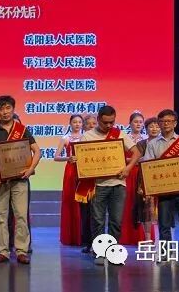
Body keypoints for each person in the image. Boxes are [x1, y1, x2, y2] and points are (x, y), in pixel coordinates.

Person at [78, 105, 141, 266]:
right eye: (105, 122)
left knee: (116, 221)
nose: (108, 125)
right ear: (98, 119)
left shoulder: (119, 134)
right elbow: (82, 159)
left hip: (118, 184)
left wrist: (128, 168)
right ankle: (99, 251)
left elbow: (137, 152)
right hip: (98, 185)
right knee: (98, 221)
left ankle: (113, 251)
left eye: (111, 122)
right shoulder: (87, 136)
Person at [0, 96, 40, 265]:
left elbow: (37, 151)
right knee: (1, 216)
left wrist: (30, 169)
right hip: (2, 180)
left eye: (8, 108)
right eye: (1, 109)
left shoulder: (22, 129)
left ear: (13, 109)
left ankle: (22, 251)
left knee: (21, 216)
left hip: (20, 179)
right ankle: (3, 251)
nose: (5, 112)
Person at [142, 109, 179, 263]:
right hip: (164, 190)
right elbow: (148, 166)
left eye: (169, 121)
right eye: (162, 121)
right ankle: (165, 252)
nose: (165, 124)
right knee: (164, 223)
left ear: (175, 123)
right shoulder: (152, 144)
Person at [55, 114, 84, 246]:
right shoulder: (65, 138)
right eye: (74, 122)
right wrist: (68, 158)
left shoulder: (86, 137)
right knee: (71, 201)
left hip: (84, 171)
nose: (77, 124)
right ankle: (71, 236)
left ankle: (83, 236)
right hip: (71, 171)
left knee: (83, 203)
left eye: (79, 122)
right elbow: (56, 157)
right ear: (70, 124)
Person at [119, 112, 147, 245]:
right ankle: (126, 236)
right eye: (136, 122)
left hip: (142, 173)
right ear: (130, 123)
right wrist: (133, 160)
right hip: (128, 172)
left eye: (141, 122)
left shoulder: (147, 138)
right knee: (126, 202)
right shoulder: (124, 138)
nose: (138, 124)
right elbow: (119, 156)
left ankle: (143, 237)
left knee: (142, 204)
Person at [133, 117, 161, 242]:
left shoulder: (164, 143)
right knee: (146, 210)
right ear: (146, 129)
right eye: (151, 126)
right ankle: (148, 239)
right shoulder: (141, 144)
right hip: (145, 178)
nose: (154, 129)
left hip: (162, 178)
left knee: (162, 208)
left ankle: (161, 238)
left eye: (157, 126)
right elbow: (136, 160)